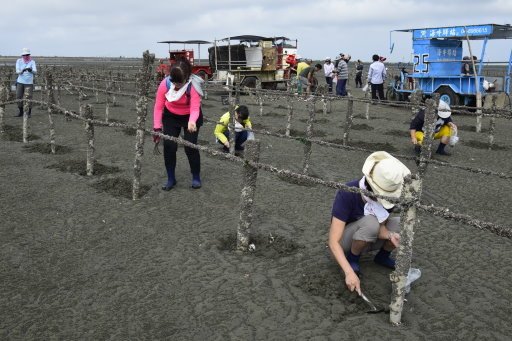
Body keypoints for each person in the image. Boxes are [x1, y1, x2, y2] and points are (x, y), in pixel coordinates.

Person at [329, 151, 411, 294]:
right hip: (345, 242)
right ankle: (353, 258)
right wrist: (348, 272)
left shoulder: (388, 198)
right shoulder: (348, 192)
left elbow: (382, 226)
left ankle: (382, 257)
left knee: (402, 224)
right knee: (370, 222)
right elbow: (333, 241)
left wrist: (391, 235)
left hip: (368, 234)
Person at [153, 57, 205, 190]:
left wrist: (192, 121)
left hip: (190, 116)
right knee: (169, 146)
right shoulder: (165, 84)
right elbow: (158, 107)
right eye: (173, 82)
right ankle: (171, 178)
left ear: (186, 78)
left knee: (190, 147)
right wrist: (157, 127)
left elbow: (194, 108)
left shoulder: (193, 86)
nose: (176, 85)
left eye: (179, 83)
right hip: (171, 116)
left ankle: (196, 177)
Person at [15, 48, 37, 117]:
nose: (26, 56)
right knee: (18, 96)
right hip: (20, 81)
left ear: (29, 55)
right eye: (24, 55)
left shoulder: (32, 62)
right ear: (22, 55)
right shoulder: (19, 61)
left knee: (29, 97)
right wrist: (22, 71)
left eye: (27, 55)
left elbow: (35, 71)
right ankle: (21, 112)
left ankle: (29, 113)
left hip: (29, 82)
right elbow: (17, 71)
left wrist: (31, 70)